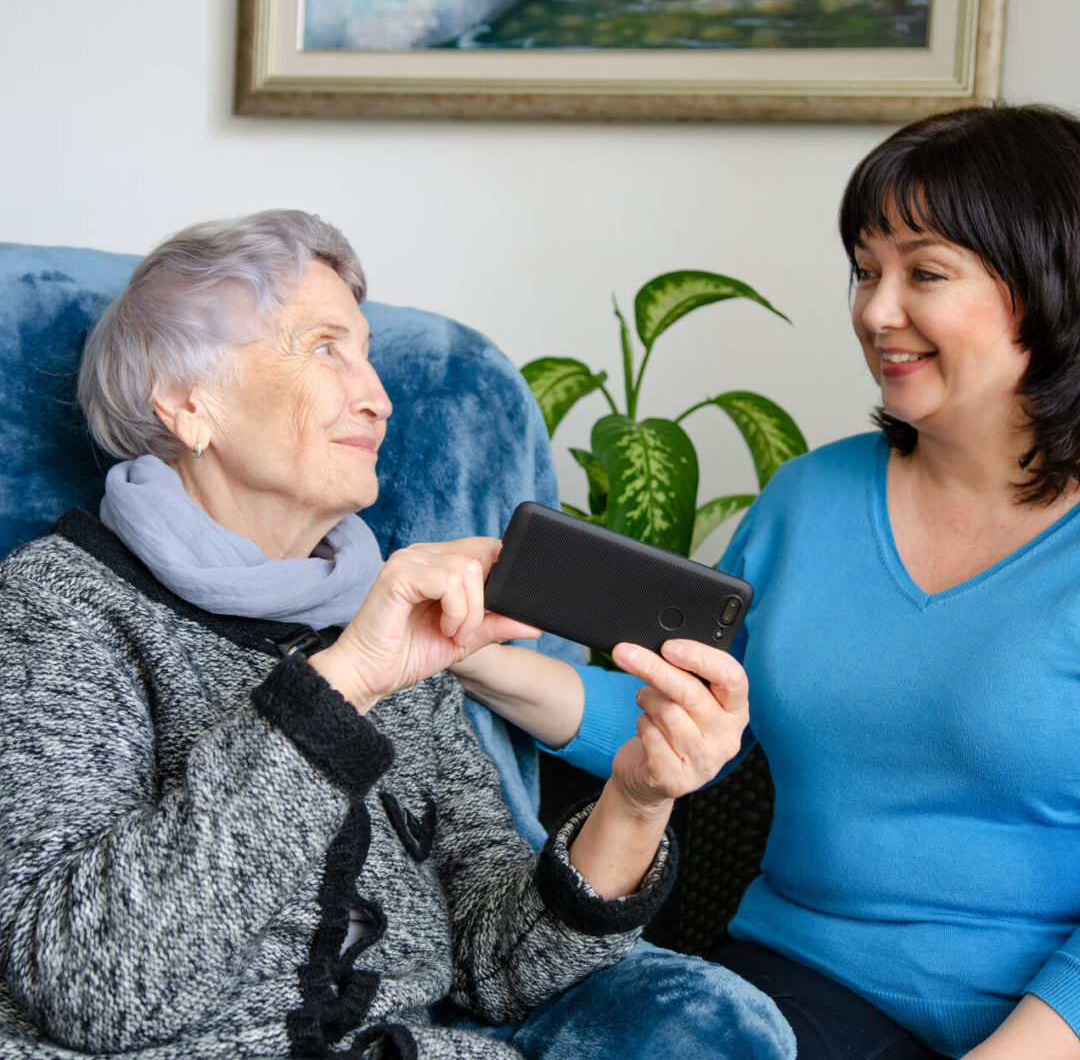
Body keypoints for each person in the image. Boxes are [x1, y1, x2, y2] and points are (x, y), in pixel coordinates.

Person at [0, 210, 796, 1060]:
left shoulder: (387, 623)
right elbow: (96, 988)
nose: (378, 397)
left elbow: (499, 963)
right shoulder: (58, 608)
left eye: (368, 353)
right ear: (187, 402)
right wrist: (346, 683)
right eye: (323, 348)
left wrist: (635, 803)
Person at [454, 103, 1080, 1060]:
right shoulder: (812, 497)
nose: (876, 311)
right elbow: (691, 717)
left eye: (926, 272)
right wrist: (483, 662)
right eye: (866, 270)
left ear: (1048, 286)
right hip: (790, 995)